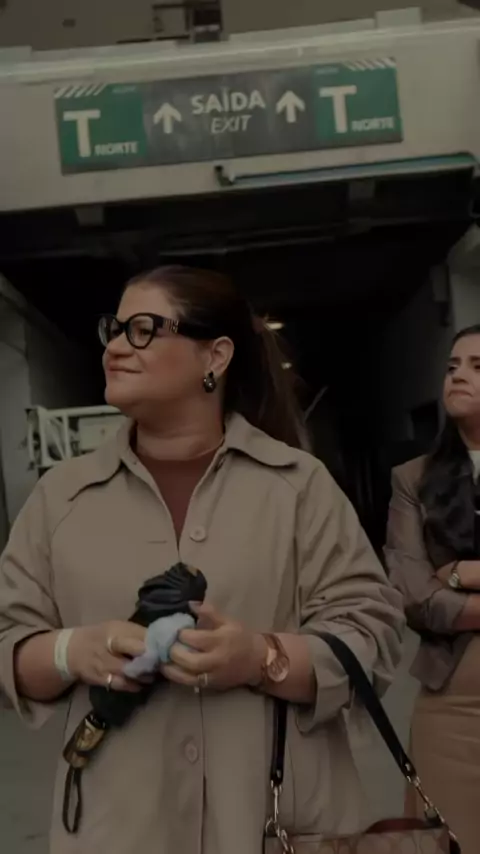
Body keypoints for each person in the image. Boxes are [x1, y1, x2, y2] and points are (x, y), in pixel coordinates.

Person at [0, 265, 403, 854]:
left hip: (276, 824)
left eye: (143, 329)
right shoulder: (60, 498)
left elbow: (374, 632)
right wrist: (70, 651)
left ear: (215, 356)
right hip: (120, 827)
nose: (116, 347)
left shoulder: (297, 487)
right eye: (114, 329)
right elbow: (8, 639)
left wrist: (261, 658)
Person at [385, 323, 480, 854]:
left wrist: (462, 574)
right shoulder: (412, 479)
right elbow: (415, 598)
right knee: (451, 841)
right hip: (452, 706)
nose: (458, 376)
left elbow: (440, 588)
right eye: (452, 366)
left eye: (478, 367)